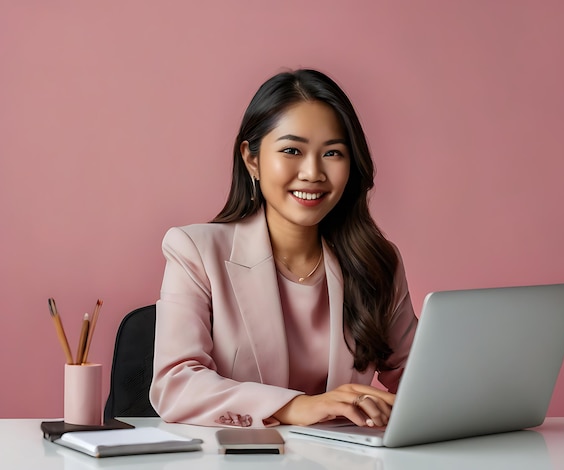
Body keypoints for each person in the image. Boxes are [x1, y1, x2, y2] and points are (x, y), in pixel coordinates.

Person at [150, 69, 418, 428]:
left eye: (333, 153)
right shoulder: (196, 252)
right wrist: (296, 407)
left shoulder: (376, 261)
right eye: (292, 150)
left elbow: (421, 381)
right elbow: (175, 384)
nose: (312, 173)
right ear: (252, 159)